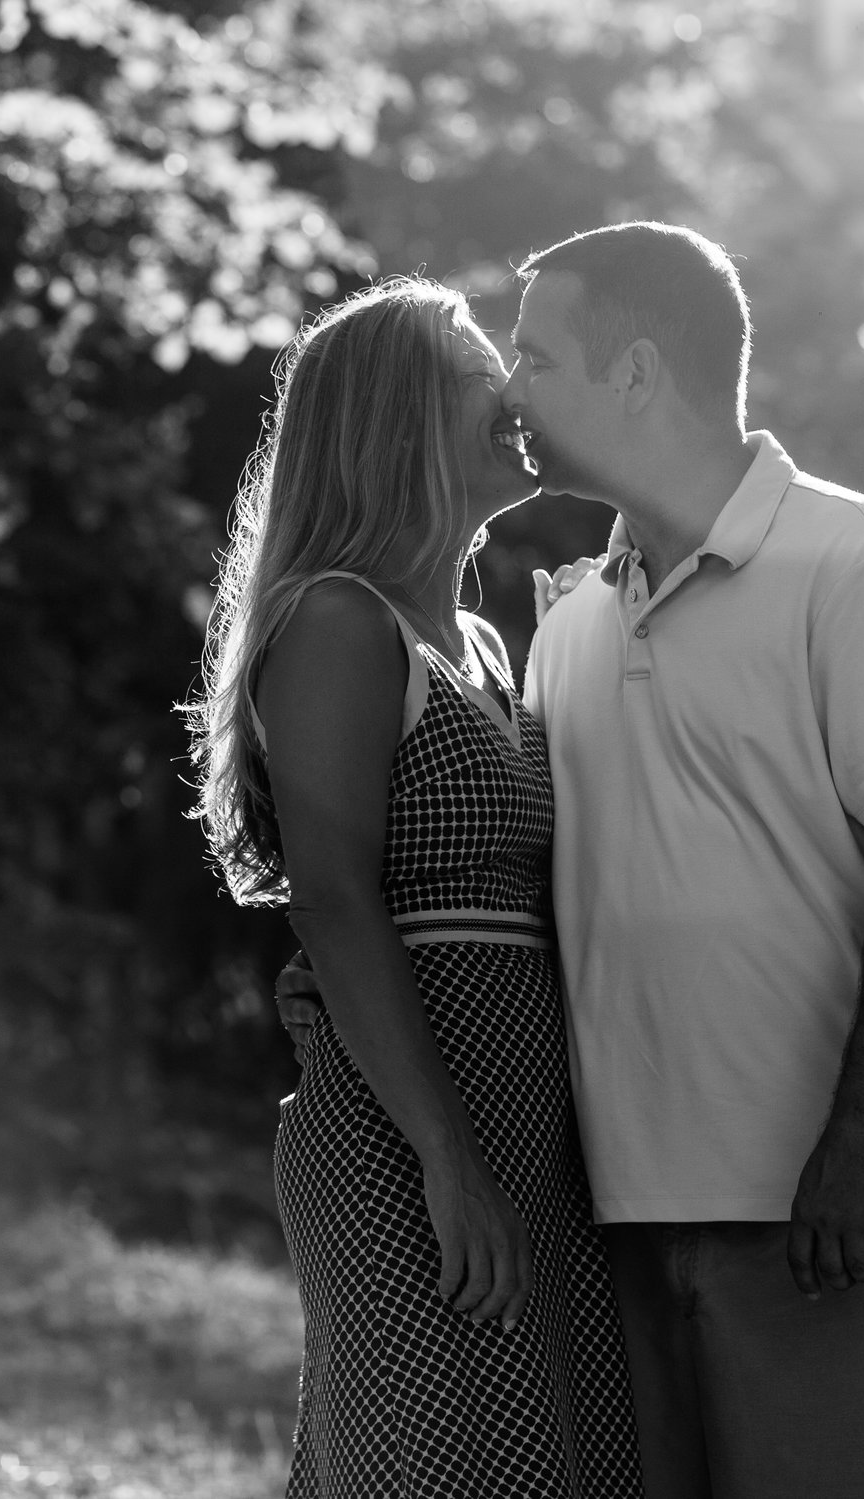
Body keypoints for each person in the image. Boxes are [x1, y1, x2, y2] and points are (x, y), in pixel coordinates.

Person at [281, 223, 864, 1498]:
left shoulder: (856, 556)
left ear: (635, 372)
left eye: (534, 356)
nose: (511, 390)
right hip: (617, 1218)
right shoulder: (570, 626)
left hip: (833, 1205)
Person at [186, 275, 643, 1496]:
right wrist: (447, 1156)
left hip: (529, 1124)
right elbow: (333, 898)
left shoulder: (482, 643)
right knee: (442, 1464)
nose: (514, 396)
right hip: (408, 1137)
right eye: (482, 373)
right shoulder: (337, 622)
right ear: (400, 417)